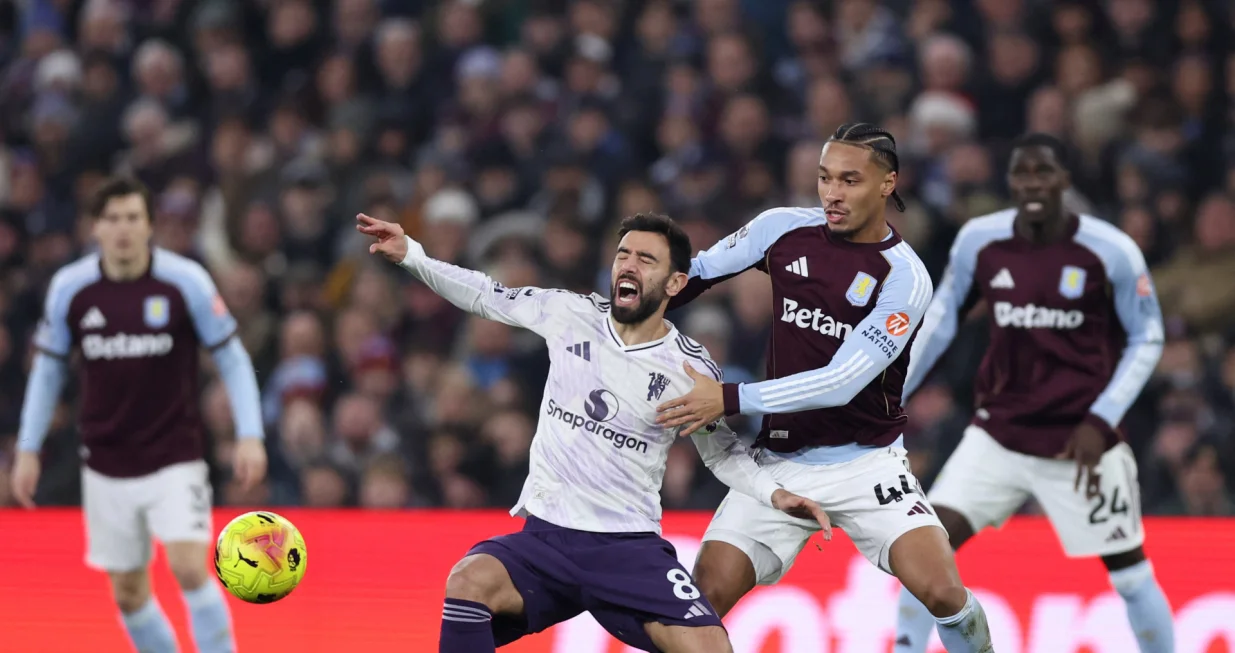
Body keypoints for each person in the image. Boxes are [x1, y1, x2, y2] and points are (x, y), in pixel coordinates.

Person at [357, 211, 832, 653]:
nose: (628, 265)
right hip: (547, 539)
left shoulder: (689, 368)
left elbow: (720, 452)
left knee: (711, 646)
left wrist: (774, 495)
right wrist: (412, 256)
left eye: (646, 259)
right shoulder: (569, 314)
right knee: (468, 580)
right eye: (623, 254)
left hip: (627, 548)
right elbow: (485, 293)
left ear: (675, 282)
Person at [656, 122, 994, 652]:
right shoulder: (781, 230)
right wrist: (626, 307)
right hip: (779, 463)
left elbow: (841, 382)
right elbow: (694, 274)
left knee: (945, 592)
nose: (833, 194)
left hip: (867, 464)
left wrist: (727, 398)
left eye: (850, 180)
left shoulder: (904, 277)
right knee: (699, 604)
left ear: (887, 184)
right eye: (824, 178)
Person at [892, 133, 1173, 653]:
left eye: (1044, 172)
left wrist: (1100, 418)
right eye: (1023, 174)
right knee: (925, 550)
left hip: (1080, 443)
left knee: (1130, 574)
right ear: (1011, 181)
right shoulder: (980, 240)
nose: (1033, 184)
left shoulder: (1110, 250)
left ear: (1065, 179)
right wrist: (895, 390)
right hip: (997, 433)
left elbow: (1147, 336)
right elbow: (941, 319)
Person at [12, 177, 267, 653]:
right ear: (96, 228)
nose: (123, 229)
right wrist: (28, 449)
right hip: (107, 461)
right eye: (112, 219)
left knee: (189, 567)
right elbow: (47, 372)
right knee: (129, 594)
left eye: (133, 218)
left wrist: (250, 434)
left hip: (175, 454)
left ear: (149, 225)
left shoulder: (185, 281)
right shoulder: (71, 288)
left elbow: (231, 358)